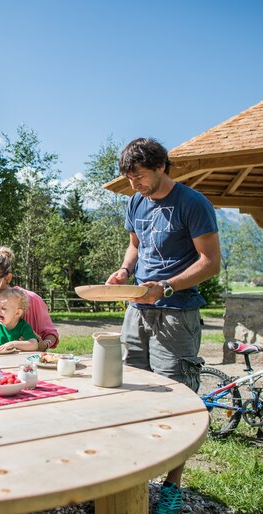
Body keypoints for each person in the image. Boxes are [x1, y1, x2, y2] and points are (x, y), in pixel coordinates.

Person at [105, 138, 221, 514]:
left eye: (139, 177)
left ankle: (172, 486)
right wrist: (124, 270)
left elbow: (210, 262)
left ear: (160, 167)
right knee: (127, 387)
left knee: (177, 398)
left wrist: (167, 286)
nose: (134, 185)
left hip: (177, 313)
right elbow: (135, 247)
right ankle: (134, 469)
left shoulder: (193, 203)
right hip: (137, 310)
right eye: (129, 179)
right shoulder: (135, 201)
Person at [0, 287, 39, 352]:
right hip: (1, 360)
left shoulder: (23, 327)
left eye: (3, 308)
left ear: (17, 313)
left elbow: (34, 344)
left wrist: (14, 344)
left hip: (19, 360)